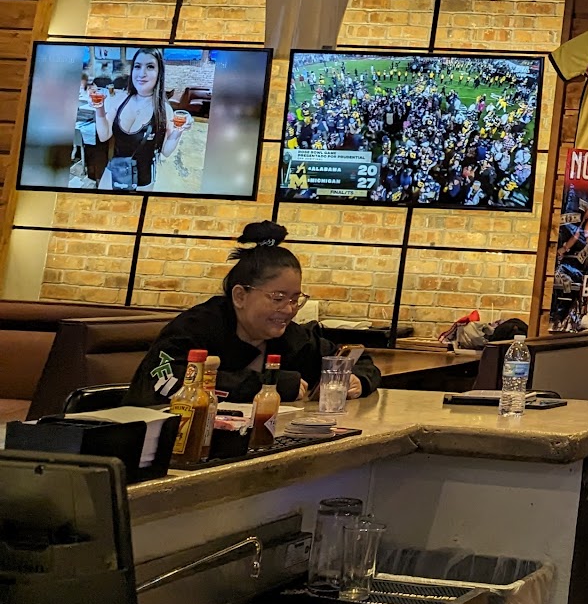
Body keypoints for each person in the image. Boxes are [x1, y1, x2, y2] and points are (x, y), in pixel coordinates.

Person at [127, 223, 382, 406]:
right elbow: (163, 378)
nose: (289, 309)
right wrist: (268, 385)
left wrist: (359, 380)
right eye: (278, 298)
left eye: (295, 299)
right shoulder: (197, 327)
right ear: (240, 296)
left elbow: (354, 360)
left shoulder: (291, 337)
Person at [85, 47, 191, 191]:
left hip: (142, 181)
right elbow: (104, 136)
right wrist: (100, 108)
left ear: (159, 73)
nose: (142, 73)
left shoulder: (164, 110)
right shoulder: (121, 99)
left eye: (150, 67)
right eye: (137, 66)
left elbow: (166, 151)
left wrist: (179, 131)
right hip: (115, 172)